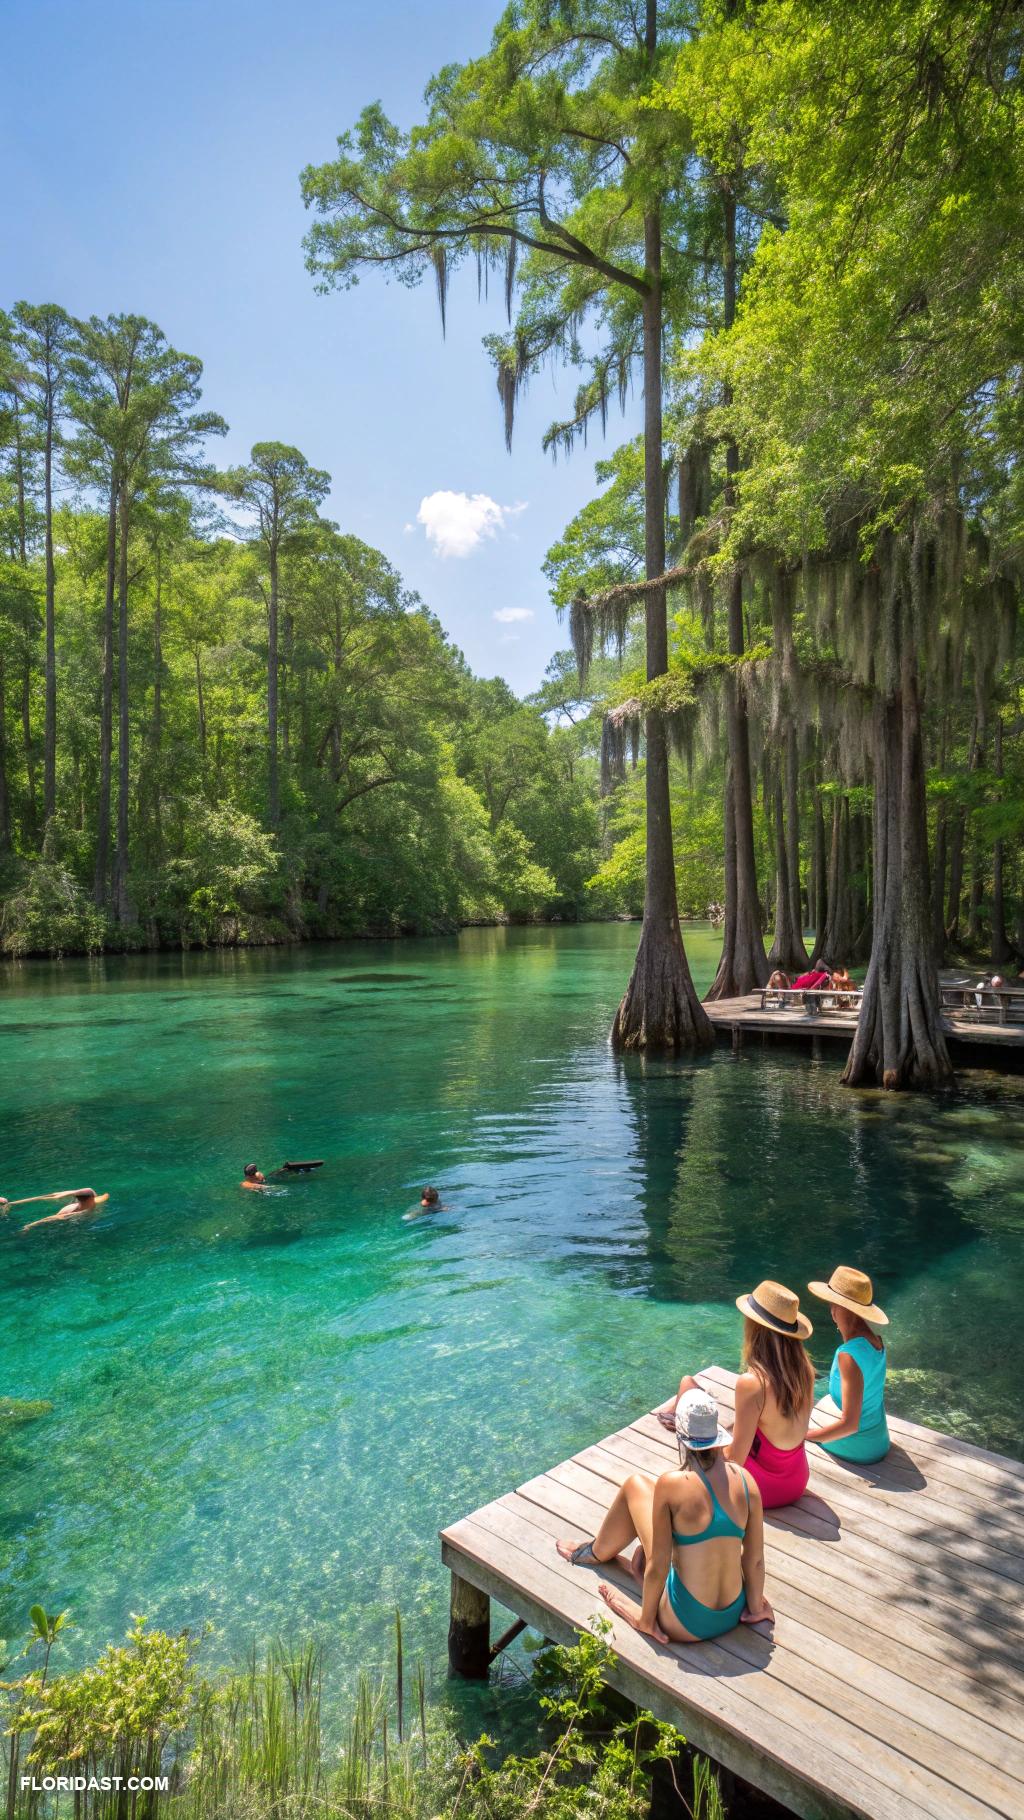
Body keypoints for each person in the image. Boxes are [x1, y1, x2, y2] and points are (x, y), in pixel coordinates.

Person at [556, 1388, 772, 1644]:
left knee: (635, 1485)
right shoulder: (745, 1481)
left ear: (681, 1436)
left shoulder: (672, 1485)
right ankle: (603, 1554)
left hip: (686, 1623)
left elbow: (658, 1565)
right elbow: (755, 1560)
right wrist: (756, 1609)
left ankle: (596, 1552)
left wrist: (645, 1620)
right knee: (652, 1500)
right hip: (732, 1613)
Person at [657, 1280, 815, 1509]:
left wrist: (709, 1444)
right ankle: (676, 1411)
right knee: (691, 1389)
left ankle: (675, 1414)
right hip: (796, 1482)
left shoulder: (754, 1383)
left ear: (755, 1327)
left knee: (687, 1386)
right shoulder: (805, 1372)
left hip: (760, 1489)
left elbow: (735, 1460)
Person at [807, 1266, 889, 1462]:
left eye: (830, 1303)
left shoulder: (848, 1355)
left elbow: (850, 1425)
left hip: (858, 1447)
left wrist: (806, 1435)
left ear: (836, 1308)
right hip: (879, 1439)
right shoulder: (876, 1342)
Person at [23, 1188, 107, 1231]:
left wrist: (70, 1193)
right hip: (68, 1217)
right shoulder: (73, 1212)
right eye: (94, 1195)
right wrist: (30, 1226)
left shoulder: (92, 1199)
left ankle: (59, 1196)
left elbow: (89, 1190)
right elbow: (49, 1218)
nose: (96, 1195)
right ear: (90, 1198)